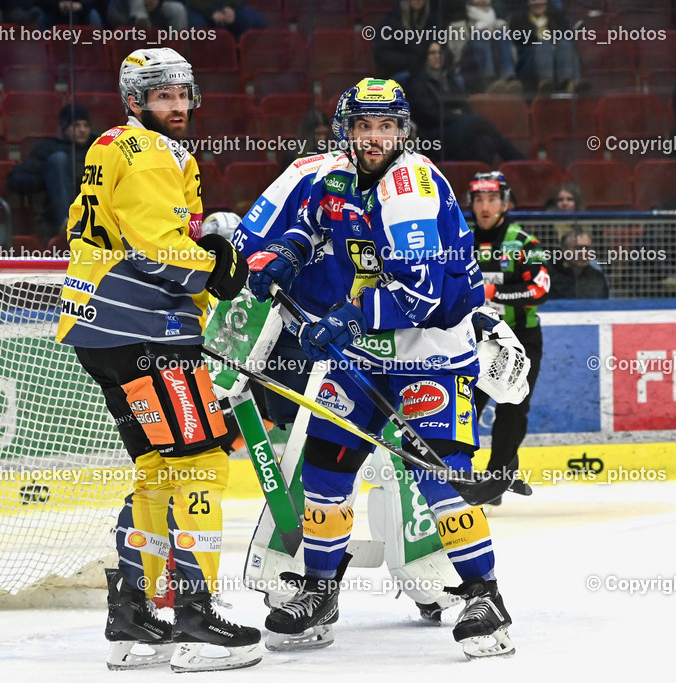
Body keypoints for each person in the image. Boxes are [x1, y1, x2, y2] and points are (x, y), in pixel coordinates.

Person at [245, 78, 515, 659]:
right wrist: (286, 255)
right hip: (365, 355)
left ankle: (485, 598)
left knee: (439, 478)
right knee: (324, 469)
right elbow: (317, 222)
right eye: (365, 126)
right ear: (347, 127)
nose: (375, 138)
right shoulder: (338, 173)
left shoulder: (410, 188)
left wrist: (340, 318)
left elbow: (417, 295)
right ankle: (319, 589)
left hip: (430, 353)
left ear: (402, 130)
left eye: (386, 127)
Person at [55, 47, 260, 673]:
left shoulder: (113, 146)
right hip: (148, 331)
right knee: (199, 461)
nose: (176, 106)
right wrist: (221, 265)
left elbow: (93, 229)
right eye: (162, 95)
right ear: (135, 100)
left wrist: (202, 244)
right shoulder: (145, 155)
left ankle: (135, 616)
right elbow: (159, 254)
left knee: (155, 468)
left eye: (182, 94)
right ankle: (196, 616)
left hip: (100, 330)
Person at [468, 170, 548, 502]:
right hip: (478, 341)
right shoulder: (461, 240)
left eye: (492, 199)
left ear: (505, 202)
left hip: (522, 339)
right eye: (478, 199)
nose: (485, 207)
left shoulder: (523, 242)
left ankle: (498, 478)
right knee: (467, 406)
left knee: (513, 408)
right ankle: (463, 474)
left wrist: (494, 292)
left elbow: (540, 289)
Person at [403, 41, 526, 166]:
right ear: (425, 56)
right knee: (479, 121)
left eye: (440, 53)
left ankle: (484, 182)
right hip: (434, 137)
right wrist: (459, 118)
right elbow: (430, 115)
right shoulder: (417, 82)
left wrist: (460, 118)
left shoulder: (449, 79)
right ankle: (520, 164)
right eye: (432, 53)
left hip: (454, 130)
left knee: (485, 143)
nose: (437, 56)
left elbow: (463, 106)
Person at [8, 104, 97, 240]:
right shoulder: (49, 148)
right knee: (58, 159)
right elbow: (15, 179)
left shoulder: (98, 146)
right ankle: (68, 223)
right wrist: (48, 178)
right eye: (76, 125)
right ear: (65, 128)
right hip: (58, 211)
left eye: (86, 125)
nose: (83, 130)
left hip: (94, 209)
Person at [508, 0, 586, 94]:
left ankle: (569, 83)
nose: (537, 3)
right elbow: (521, 42)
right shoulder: (518, 18)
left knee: (565, 44)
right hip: (531, 58)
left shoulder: (557, 15)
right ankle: (546, 83)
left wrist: (553, 42)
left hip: (557, 55)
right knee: (544, 44)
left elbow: (566, 34)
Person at [450, 0, 522, 94]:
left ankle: (508, 79)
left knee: (500, 32)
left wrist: (494, 36)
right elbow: (457, 57)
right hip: (471, 72)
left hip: (499, 69)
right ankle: (489, 79)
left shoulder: (501, 24)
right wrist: (479, 33)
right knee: (482, 34)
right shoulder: (458, 26)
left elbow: (514, 56)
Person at [373, 0, 444, 83]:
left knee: (456, 80)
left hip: (427, 70)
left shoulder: (432, 21)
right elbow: (382, 56)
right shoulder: (391, 23)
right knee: (416, 81)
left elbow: (443, 49)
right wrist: (411, 61)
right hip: (399, 72)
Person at [547, 227, 609, 299]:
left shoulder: (596, 277)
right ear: (564, 250)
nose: (584, 253)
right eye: (578, 248)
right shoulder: (548, 274)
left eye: (587, 248)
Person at [186, 1, 266, 39]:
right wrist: (210, 12)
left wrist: (231, 8)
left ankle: (234, 57)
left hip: (226, 7)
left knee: (255, 21)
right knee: (197, 25)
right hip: (198, 8)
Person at [104, 0, 188, 30]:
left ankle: (177, 53)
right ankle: (141, 18)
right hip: (123, 14)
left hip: (154, 12)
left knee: (178, 9)